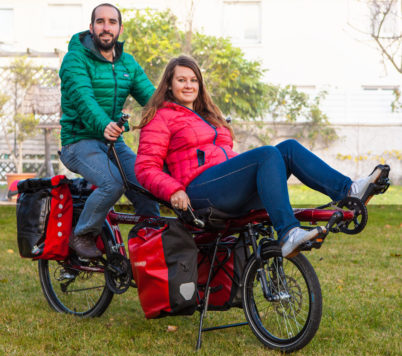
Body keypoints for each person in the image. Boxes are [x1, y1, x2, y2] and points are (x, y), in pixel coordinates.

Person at [134, 55, 387, 258]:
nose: (188, 85)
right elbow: (146, 167)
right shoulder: (161, 117)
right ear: (169, 84)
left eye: (193, 80)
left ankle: (349, 191)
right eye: (181, 80)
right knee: (266, 154)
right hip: (200, 193)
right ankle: (288, 234)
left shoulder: (209, 116)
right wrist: (173, 191)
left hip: (226, 188)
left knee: (287, 148)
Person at [59, 3, 159, 259]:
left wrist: (188, 119)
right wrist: (104, 125)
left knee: (147, 187)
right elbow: (84, 100)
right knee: (111, 183)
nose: (106, 27)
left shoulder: (127, 63)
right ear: (91, 27)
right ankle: (82, 234)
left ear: (119, 28)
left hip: (113, 142)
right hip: (78, 142)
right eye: (100, 22)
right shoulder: (75, 59)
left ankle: (150, 250)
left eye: (112, 22)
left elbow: (152, 99)